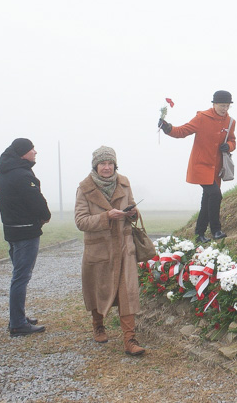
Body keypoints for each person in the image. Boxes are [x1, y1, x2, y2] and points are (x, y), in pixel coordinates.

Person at [74, 146, 145, 356]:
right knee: (98, 289)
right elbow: (80, 221)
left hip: (124, 247)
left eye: (110, 163)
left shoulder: (123, 182)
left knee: (128, 291)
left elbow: (131, 207)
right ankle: (98, 324)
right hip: (99, 248)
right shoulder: (84, 188)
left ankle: (130, 339)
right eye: (102, 163)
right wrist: (106, 217)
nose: (107, 167)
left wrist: (132, 213)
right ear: (95, 166)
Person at [158, 90, 235, 242]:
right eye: (221, 105)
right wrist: (168, 128)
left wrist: (229, 146)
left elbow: (233, 141)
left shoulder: (231, 122)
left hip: (216, 168)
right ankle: (216, 230)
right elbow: (183, 131)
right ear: (214, 104)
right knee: (215, 194)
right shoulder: (202, 118)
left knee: (208, 198)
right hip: (200, 166)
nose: (224, 109)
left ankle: (199, 234)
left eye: (227, 106)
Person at [0, 138, 50, 337]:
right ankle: (17, 323)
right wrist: (45, 216)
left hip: (11, 230)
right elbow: (35, 201)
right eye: (31, 149)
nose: (35, 151)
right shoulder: (22, 175)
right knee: (21, 277)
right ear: (22, 153)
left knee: (18, 275)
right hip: (26, 231)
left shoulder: (2, 173)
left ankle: (17, 317)